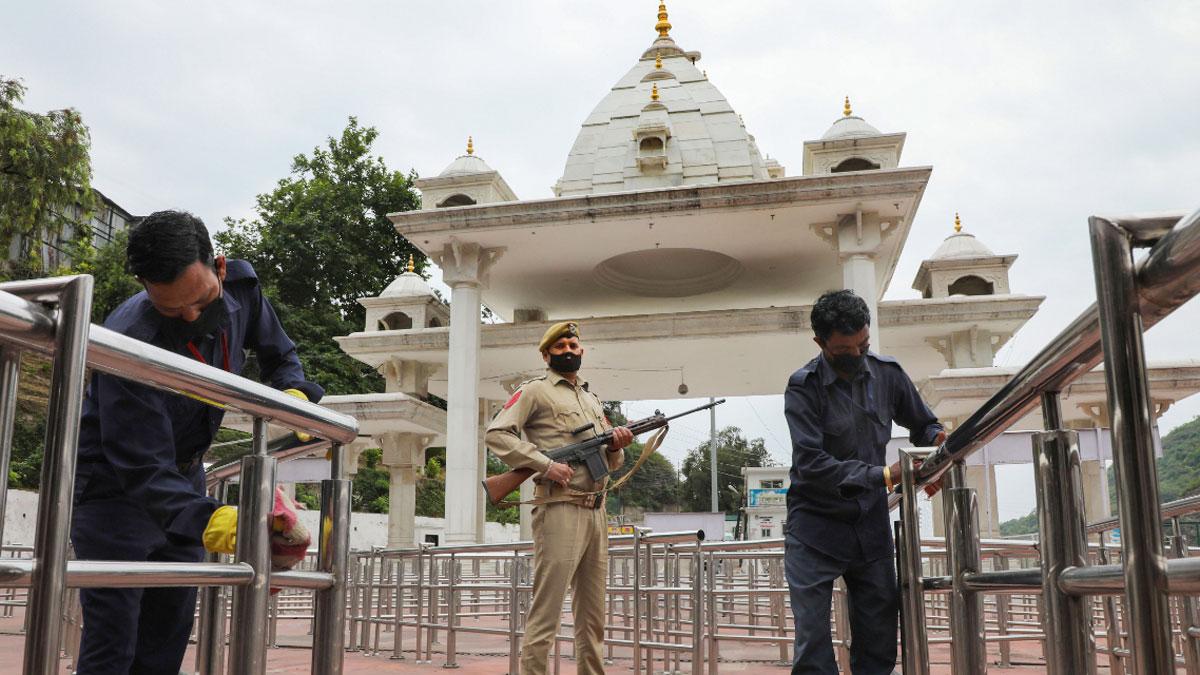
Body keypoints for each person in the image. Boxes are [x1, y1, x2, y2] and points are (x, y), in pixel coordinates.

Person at [71, 210, 322, 673]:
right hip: (114, 493)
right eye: (172, 308)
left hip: (186, 478)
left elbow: (281, 355)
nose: (190, 316)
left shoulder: (242, 290)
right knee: (113, 645)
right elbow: (142, 468)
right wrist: (227, 521)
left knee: (167, 639)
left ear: (220, 267)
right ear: (146, 288)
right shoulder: (128, 339)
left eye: (202, 301)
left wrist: (292, 399)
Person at [783, 290, 946, 675]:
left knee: (879, 643)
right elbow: (810, 461)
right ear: (820, 343)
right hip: (814, 528)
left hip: (869, 526)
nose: (856, 356)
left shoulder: (887, 373)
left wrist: (937, 454)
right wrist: (882, 475)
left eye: (863, 345)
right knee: (813, 644)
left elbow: (925, 425)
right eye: (844, 349)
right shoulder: (803, 387)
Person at [485, 321, 634, 675]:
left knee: (593, 618)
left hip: (596, 511)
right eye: (560, 346)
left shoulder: (591, 399)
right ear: (546, 354)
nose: (568, 350)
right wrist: (545, 464)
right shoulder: (535, 391)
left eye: (573, 344)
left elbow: (612, 463)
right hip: (560, 508)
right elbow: (497, 434)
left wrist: (617, 445)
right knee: (547, 612)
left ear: (581, 350)